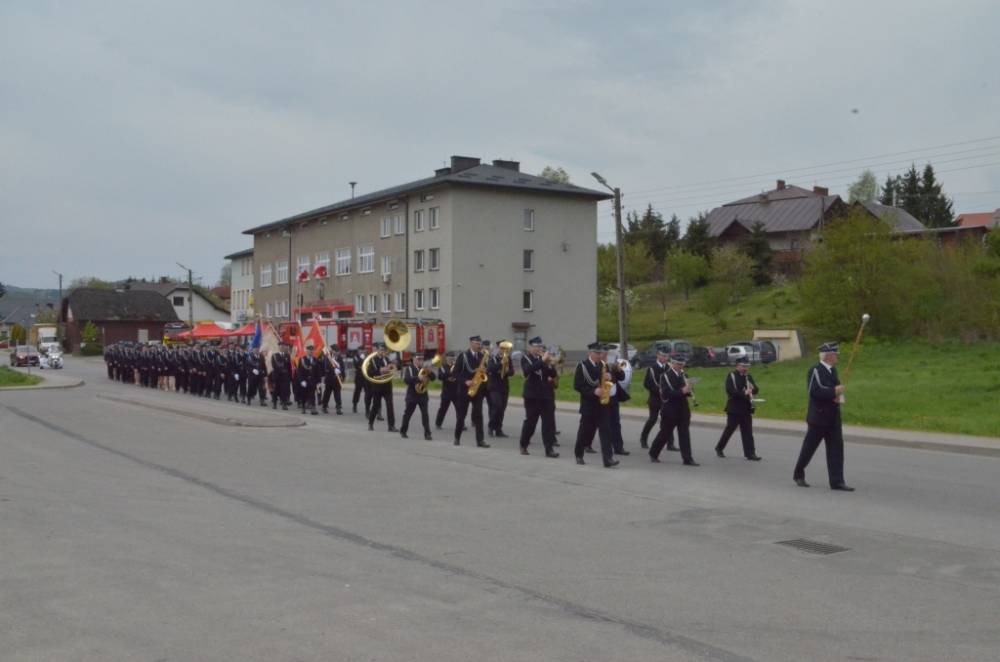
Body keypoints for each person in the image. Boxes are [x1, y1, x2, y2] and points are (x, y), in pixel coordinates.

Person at [793, 343, 854, 491]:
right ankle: (799, 474)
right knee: (809, 448)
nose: (837, 356)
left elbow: (836, 391)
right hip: (818, 418)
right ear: (827, 356)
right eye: (835, 354)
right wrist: (833, 392)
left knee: (836, 450)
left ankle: (837, 481)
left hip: (833, 417)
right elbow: (814, 391)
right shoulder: (815, 370)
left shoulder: (833, 371)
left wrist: (839, 397)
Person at [573, 342, 618, 468]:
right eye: (597, 353)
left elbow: (613, 379)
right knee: (585, 432)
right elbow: (577, 386)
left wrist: (611, 376)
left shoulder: (603, 365)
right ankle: (579, 454)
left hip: (602, 405)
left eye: (600, 353)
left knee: (605, 431)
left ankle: (608, 459)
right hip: (589, 405)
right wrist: (593, 391)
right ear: (590, 353)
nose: (600, 355)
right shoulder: (582, 366)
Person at [649, 355, 698, 466]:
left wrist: (690, 390)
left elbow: (688, 392)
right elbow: (666, 394)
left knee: (684, 434)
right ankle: (653, 453)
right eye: (678, 364)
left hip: (683, 409)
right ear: (672, 364)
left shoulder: (684, 375)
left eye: (682, 364)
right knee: (665, 433)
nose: (681, 366)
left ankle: (687, 458)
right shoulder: (665, 376)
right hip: (670, 409)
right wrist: (682, 391)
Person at [518, 336, 559, 457]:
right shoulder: (525, 358)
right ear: (530, 347)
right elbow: (528, 370)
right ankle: (523, 444)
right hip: (532, 396)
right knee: (531, 422)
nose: (539, 348)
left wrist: (550, 364)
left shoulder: (544, 360)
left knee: (549, 423)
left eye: (540, 346)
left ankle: (549, 448)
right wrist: (542, 361)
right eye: (537, 346)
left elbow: (553, 374)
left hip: (547, 395)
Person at [714, 357, 762, 460]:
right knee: (729, 429)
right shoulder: (731, 375)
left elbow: (756, 390)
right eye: (743, 366)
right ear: (737, 366)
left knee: (748, 432)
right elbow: (730, 390)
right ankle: (719, 448)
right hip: (734, 408)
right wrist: (744, 393)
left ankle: (750, 453)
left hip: (746, 408)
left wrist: (752, 389)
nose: (745, 368)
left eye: (747, 366)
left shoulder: (748, 376)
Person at [453, 336, 490, 447]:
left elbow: (485, 371)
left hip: (477, 390)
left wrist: (485, 371)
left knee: (479, 415)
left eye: (480, 344)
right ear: (471, 343)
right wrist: (465, 381)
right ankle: (457, 437)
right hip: (464, 390)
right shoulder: (463, 356)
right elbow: (455, 373)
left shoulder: (482, 356)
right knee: (461, 416)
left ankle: (480, 440)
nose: (479, 346)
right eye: (476, 343)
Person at [640, 347, 671, 450]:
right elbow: (646, 384)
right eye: (663, 356)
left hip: (666, 399)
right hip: (655, 399)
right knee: (652, 419)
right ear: (658, 355)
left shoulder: (669, 368)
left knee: (667, 420)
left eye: (666, 356)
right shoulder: (652, 368)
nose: (665, 358)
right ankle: (643, 439)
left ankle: (670, 443)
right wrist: (657, 391)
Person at [400, 353, 435, 440]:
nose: (420, 361)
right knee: (408, 414)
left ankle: (427, 433)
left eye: (422, 359)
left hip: (423, 395)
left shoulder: (425, 369)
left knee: (425, 415)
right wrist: (418, 378)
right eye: (418, 359)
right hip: (412, 396)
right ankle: (403, 431)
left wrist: (430, 372)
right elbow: (407, 380)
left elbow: (433, 378)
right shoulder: (410, 368)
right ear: (414, 359)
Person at [366, 343, 397, 431]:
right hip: (377, 386)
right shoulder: (372, 360)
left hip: (387, 385)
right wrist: (380, 371)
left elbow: (393, 368)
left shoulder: (387, 359)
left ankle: (391, 426)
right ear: (377, 351)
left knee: (390, 405)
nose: (382, 352)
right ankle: (370, 423)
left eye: (384, 350)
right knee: (375, 405)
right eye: (381, 350)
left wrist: (392, 368)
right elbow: (370, 373)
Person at [487, 340, 515, 437]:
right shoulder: (493, 358)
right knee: (496, 406)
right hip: (494, 387)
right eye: (502, 348)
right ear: (498, 348)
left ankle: (499, 429)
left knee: (502, 409)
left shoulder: (508, 358)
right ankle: (491, 427)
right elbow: (490, 369)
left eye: (506, 349)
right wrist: (500, 364)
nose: (504, 350)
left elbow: (512, 372)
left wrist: (507, 370)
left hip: (504, 387)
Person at [434, 352, 459, 429]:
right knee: (443, 409)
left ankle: (461, 423)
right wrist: (448, 376)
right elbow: (440, 376)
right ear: (447, 359)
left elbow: (460, 375)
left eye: (453, 358)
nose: (452, 360)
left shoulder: (457, 367)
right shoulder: (442, 367)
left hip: (456, 391)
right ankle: (438, 423)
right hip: (446, 392)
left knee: (459, 409)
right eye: (450, 359)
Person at [320, 345, 344, 414]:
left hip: (337, 379)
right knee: (327, 393)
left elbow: (342, 366)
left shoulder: (339, 358)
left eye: (338, 351)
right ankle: (324, 406)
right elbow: (326, 366)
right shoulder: (328, 357)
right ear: (332, 350)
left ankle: (338, 408)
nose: (337, 352)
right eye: (335, 351)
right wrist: (333, 370)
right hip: (329, 378)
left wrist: (340, 371)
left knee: (337, 394)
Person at [269, 342, 293, 410]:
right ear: (278, 347)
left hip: (285, 376)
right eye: (281, 346)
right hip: (277, 376)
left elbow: (289, 367)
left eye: (283, 346)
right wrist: (281, 370)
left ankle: (284, 404)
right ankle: (274, 403)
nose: (282, 347)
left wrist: (290, 376)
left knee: (284, 390)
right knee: (276, 390)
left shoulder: (287, 355)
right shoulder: (274, 355)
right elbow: (274, 365)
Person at [297, 346, 320, 415]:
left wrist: (319, 381)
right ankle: (303, 407)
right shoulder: (302, 359)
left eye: (312, 350)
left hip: (312, 380)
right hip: (305, 380)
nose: (311, 352)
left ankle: (313, 408)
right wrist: (301, 381)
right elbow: (299, 371)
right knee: (304, 394)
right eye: (309, 350)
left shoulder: (315, 360)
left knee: (312, 394)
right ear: (306, 351)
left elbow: (318, 372)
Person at [351, 349, 369, 416]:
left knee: (367, 393)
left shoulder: (367, 356)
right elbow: (356, 365)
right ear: (358, 351)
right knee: (357, 392)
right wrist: (361, 359)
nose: (362, 352)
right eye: (360, 351)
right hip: (359, 377)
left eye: (363, 351)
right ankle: (354, 405)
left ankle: (367, 407)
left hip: (365, 378)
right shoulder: (356, 357)